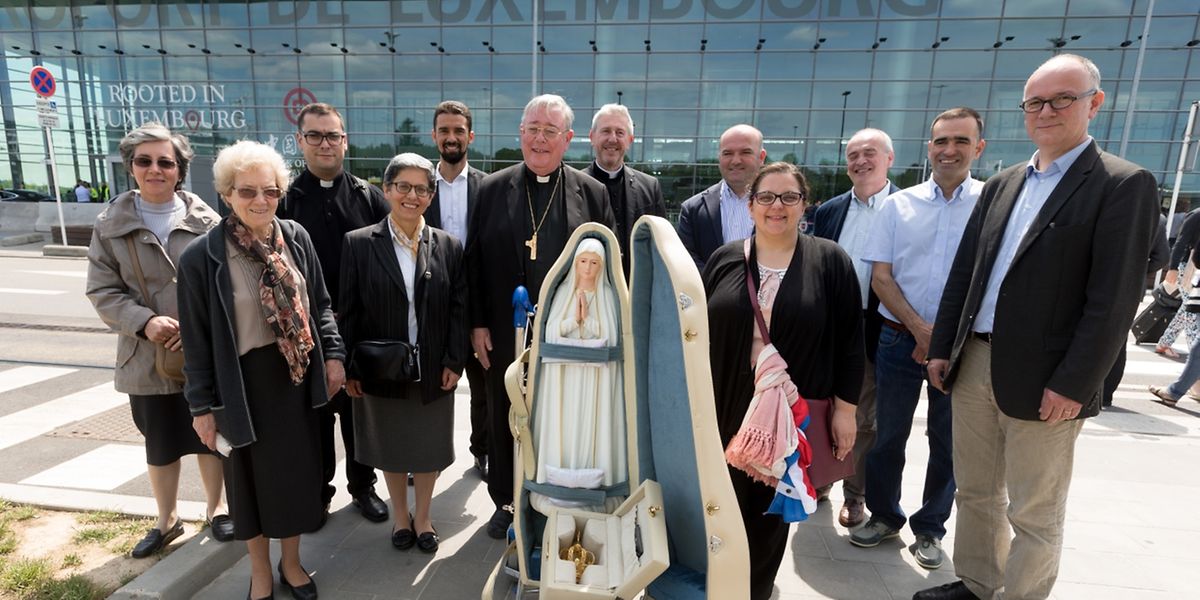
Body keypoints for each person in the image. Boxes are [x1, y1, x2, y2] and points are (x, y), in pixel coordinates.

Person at [920, 54, 1159, 600]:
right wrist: (943, 348)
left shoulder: (1122, 184)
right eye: (1035, 102)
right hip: (974, 362)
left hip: (1049, 377)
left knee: (1034, 508)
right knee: (976, 492)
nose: (1046, 111)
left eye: (1062, 99)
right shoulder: (1004, 183)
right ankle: (978, 584)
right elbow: (967, 273)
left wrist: (1075, 384)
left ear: (1094, 104)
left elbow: (1115, 300)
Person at [178, 140, 346, 600]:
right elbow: (195, 340)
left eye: (269, 191)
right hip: (240, 387)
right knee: (248, 488)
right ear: (226, 193)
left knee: (294, 482)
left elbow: (322, 307)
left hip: (293, 382)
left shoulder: (296, 237)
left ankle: (291, 564)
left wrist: (333, 356)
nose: (259, 201)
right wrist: (202, 407)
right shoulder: (202, 256)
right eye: (247, 190)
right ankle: (257, 572)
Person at [704, 162, 864, 600]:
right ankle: (716, 585)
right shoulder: (725, 258)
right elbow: (696, 334)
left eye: (788, 197)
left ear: (804, 205)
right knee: (719, 505)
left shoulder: (830, 260)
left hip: (790, 413)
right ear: (751, 205)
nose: (777, 206)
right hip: (725, 406)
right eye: (767, 197)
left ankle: (753, 590)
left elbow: (852, 341)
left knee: (768, 512)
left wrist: (846, 411)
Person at [467, 93, 616, 539]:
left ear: (568, 139)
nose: (539, 138)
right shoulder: (492, 188)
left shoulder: (592, 193)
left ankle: (551, 499)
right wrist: (476, 325)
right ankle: (505, 500)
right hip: (502, 328)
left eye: (550, 131)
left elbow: (610, 266)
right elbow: (472, 262)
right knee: (503, 415)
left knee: (558, 417)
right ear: (521, 133)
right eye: (532, 128)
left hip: (568, 333)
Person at [84, 122, 231, 558]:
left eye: (165, 162)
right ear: (131, 167)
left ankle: (217, 508)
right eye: (144, 161)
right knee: (162, 443)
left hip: (201, 353)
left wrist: (200, 323)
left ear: (180, 170)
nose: (155, 169)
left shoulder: (209, 221)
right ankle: (166, 520)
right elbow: (101, 291)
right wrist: (145, 322)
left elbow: (226, 284)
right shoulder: (110, 224)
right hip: (145, 357)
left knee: (209, 435)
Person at [851, 108, 987, 571]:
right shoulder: (899, 204)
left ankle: (930, 528)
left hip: (961, 349)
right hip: (896, 339)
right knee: (887, 434)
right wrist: (921, 330)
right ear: (929, 148)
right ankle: (885, 515)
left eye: (960, 142)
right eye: (941, 141)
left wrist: (942, 339)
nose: (949, 150)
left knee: (947, 441)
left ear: (978, 148)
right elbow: (881, 278)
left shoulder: (991, 205)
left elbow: (990, 280)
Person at [338, 153, 467, 554]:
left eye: (422, 188)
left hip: (431, 366)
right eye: (404, 187)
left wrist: (453, 360)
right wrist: (349, 368)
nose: (412, 195)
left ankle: (423, 517)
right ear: (387, 190)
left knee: (427, 448)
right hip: (381, 368)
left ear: (431, 196)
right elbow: (349, 309)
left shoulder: (448, 245)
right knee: (391, 447)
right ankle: (400, 517)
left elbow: (459, 308)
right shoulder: (358, 243)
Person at [277, 102, 390, 525]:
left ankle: (363, 487)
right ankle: (318, 491)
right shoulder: (284, 200)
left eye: (333, 136)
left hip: (359, 330)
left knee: (358, 416)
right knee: (314, 419)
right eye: (315, 136)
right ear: (300, 141)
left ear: (345, 142)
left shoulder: (369, 197)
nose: (325, 144)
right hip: (305, 332)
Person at [811, 127, 899, 527]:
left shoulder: (905, 207)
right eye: (853, 155)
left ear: (889, 159)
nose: (861, 161)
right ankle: (822, 480)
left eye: (870, 153)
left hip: (878, 327)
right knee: (820, 407)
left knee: (863, 419)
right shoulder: (829, 211)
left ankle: (856, 494)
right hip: (827, 328)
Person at [531, 238, 626, 515]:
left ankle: (596, 490)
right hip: (566, 378)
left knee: (593, 426)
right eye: (583, 261)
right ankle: (557, 487)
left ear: (602, 266)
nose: (587, 268)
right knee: (565, 425)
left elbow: (610, 335)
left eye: (594, 263)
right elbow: (550, 333)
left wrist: (588, 320)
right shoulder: (564, 292)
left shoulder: (608, 296)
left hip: (596, 381)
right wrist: (575, 320)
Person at [424, 100, 490, 481]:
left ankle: (482, 452)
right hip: (434, 307)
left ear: (470, 136)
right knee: (432, 388)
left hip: (478, 307)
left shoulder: (490, 187)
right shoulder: (418, 184)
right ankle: (425, 454)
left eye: (458, 131)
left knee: (483, 391)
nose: (451, 138)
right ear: (434, 136)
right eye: (444, 131)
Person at [584, 104, 667, 274]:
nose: (612, 139)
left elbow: (661, 246)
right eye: (606, 131)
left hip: (635, 290)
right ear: (592, 137)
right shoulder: (574, 186)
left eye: (620, 133)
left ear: (629, 140)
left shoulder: (650, 187)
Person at [678, 124, 766, 270]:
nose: (736, 160)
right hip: (709, 291)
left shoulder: (779, 207)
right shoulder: (693, 209)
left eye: (745, 152)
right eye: (727, 153)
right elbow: (687, 260)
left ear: (761, 157)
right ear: (719, 157)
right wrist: (720, 288)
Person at [1155, 208, 1200, 358]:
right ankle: (1196, 356)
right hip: (1187, 268)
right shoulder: (1196, 215)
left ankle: (1164, 343)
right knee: (1192, 310)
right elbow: (1181, 242)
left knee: (1186, 309)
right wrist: (1173, 268)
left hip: (1196, 270)